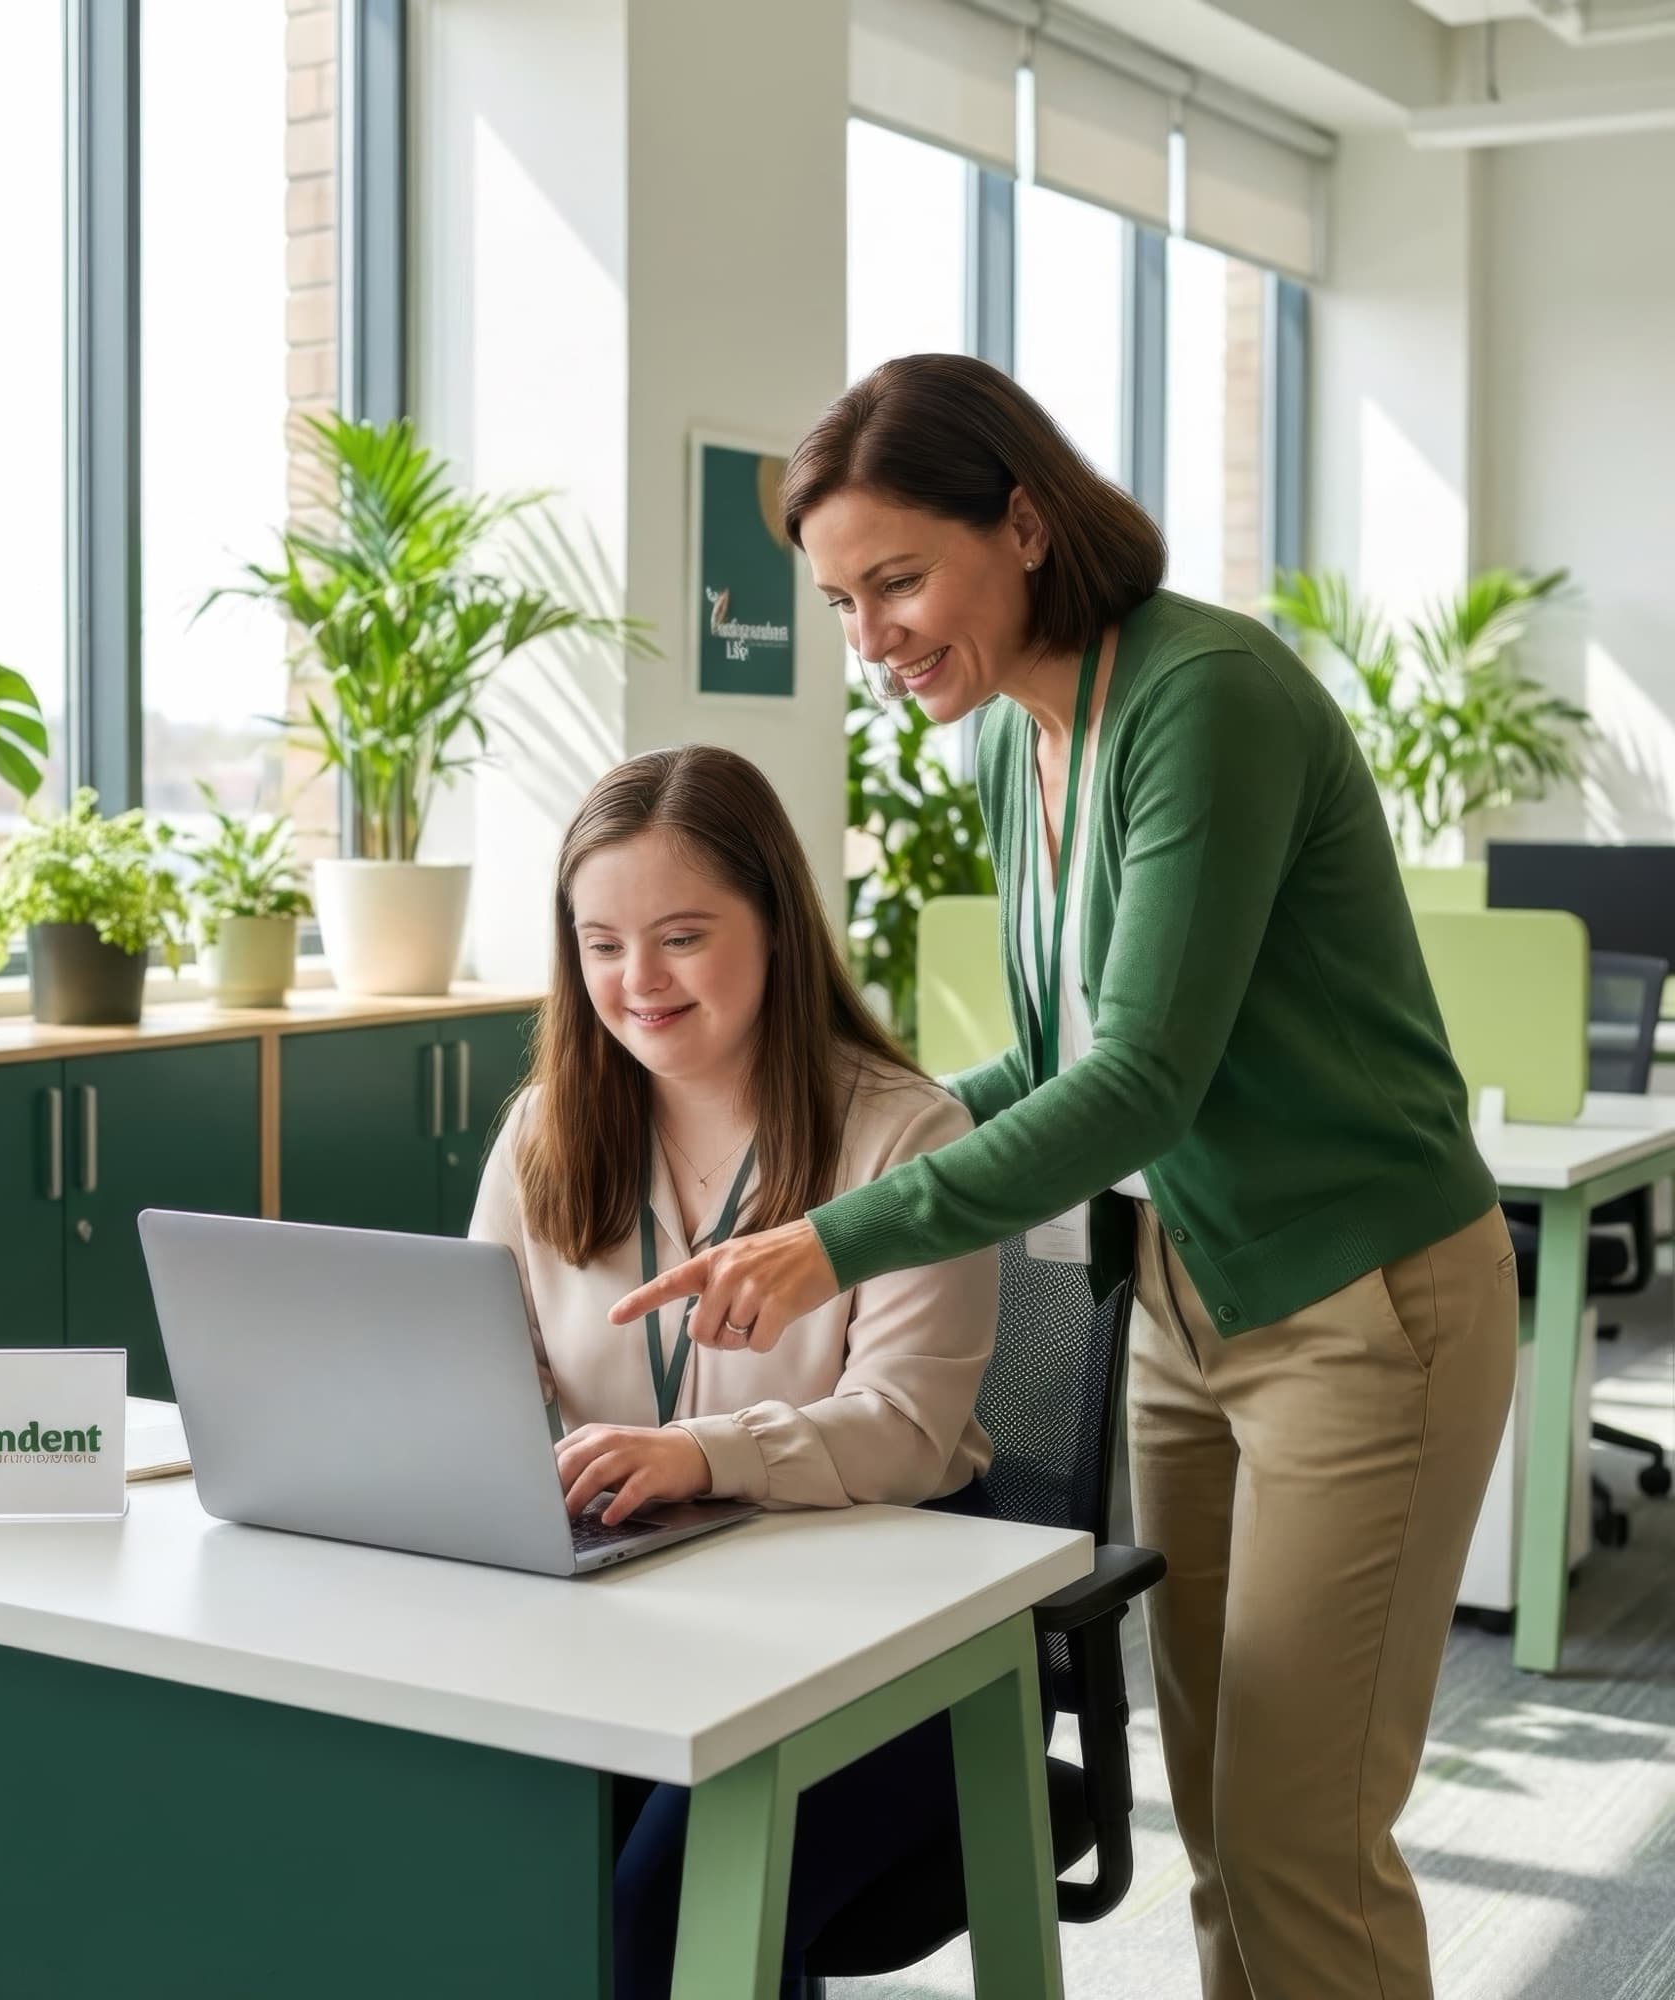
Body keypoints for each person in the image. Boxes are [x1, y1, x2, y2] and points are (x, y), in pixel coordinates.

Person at [611, 353, 1517, 2000]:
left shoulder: (1201, 696)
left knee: (1308, 1842)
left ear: (1023, 524)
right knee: (1231, 1835)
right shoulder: (1029, 734)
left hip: (1363, 1312)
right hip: (1186, 1311)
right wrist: (830, 1152)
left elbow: (1140, 1081)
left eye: (897, 580)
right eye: (837, 602)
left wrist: (837, 1238)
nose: (869, 637)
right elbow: (1045, 1054)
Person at [468, 742, 998, 2000]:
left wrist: (701, 1455)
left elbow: (908, 1430)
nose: (635, 981)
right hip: (624, 1618)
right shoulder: (547, 1127)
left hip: (875, 1640)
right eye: (599, 942)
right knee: (466, 1838)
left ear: (775, 923)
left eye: (681, 936)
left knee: (656, 1908)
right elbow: (486, 1370)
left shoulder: (906, 1132)